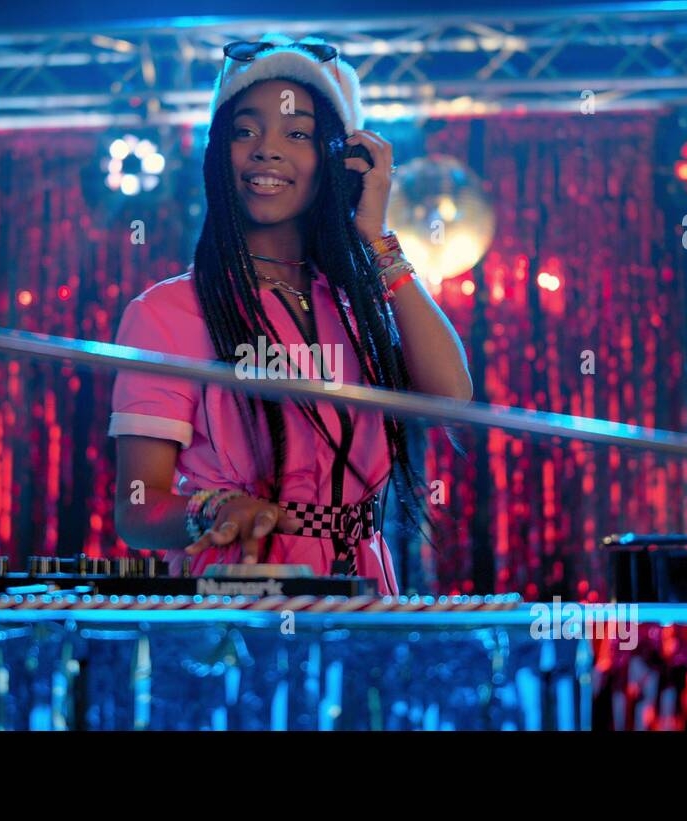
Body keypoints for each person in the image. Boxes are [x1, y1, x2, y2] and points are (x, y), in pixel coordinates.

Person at [110, 34, 471, 594]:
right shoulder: (167, 311)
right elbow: (138, 510)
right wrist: (215, 509)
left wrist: (376, 239)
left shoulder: (360, 306)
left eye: (297, 133)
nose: (266, 150)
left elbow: (452, 397)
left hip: (366, 594)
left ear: (340, 162)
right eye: (244, 131)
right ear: (217, 156)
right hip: (242, 594)